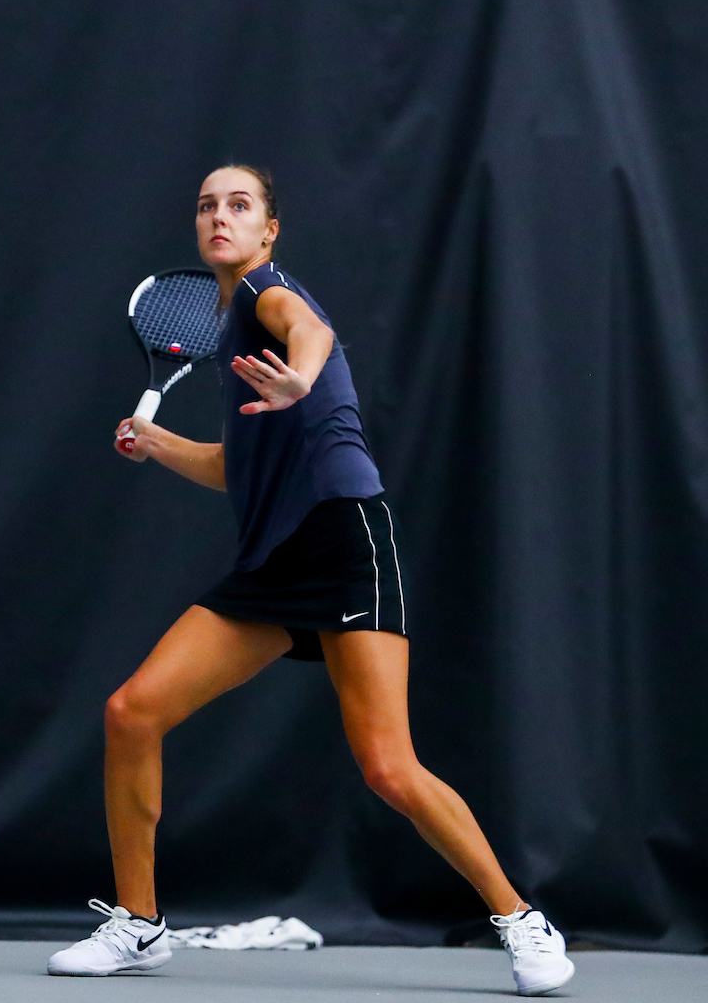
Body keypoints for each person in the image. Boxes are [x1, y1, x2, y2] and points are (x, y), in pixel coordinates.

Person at [47, 165, 575, 995]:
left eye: (240, 205)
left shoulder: (267, 296)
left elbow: (309, 330)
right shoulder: (229, 336)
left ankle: (521, 919)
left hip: (342, 540)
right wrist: (157, 446)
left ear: (269, 230)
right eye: (206, 206)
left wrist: (301, 372)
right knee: (132, 713)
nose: (220, 217)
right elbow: (236, 468)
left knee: (388, 768)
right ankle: (140, 926)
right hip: (273, 560)